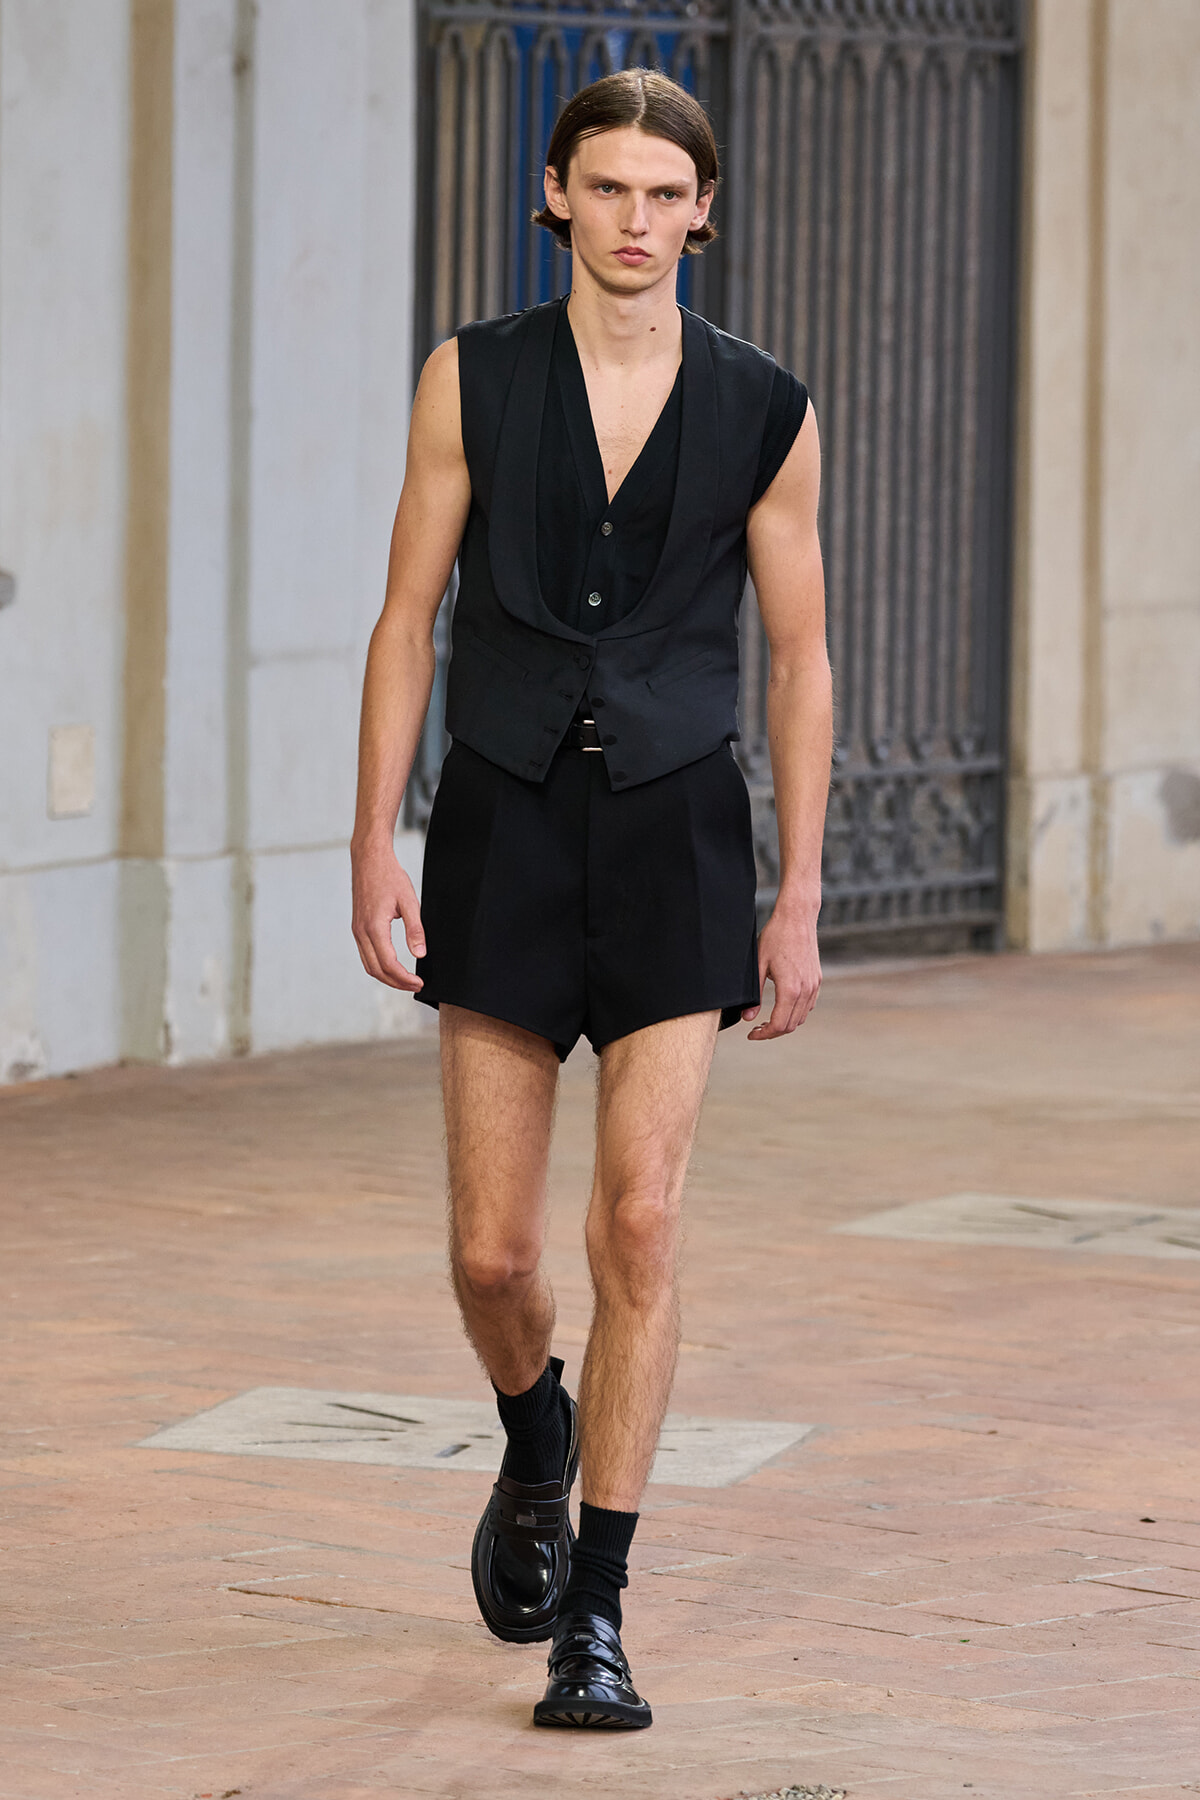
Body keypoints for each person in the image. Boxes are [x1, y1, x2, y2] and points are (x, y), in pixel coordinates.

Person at [351, 68, 830, 1730]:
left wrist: (804, 894)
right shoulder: (470, 379)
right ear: (552, 194)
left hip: (679, 832)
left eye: (664, 194)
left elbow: (801, 655)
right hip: (500, 824)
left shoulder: (768, 408)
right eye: (605, 188)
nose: (636, 220)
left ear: (705, 212)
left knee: (640, 1220)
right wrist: (370, 841)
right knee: (493, 1255)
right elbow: (407, 615)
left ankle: (602, 1617)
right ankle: (533, 1430)